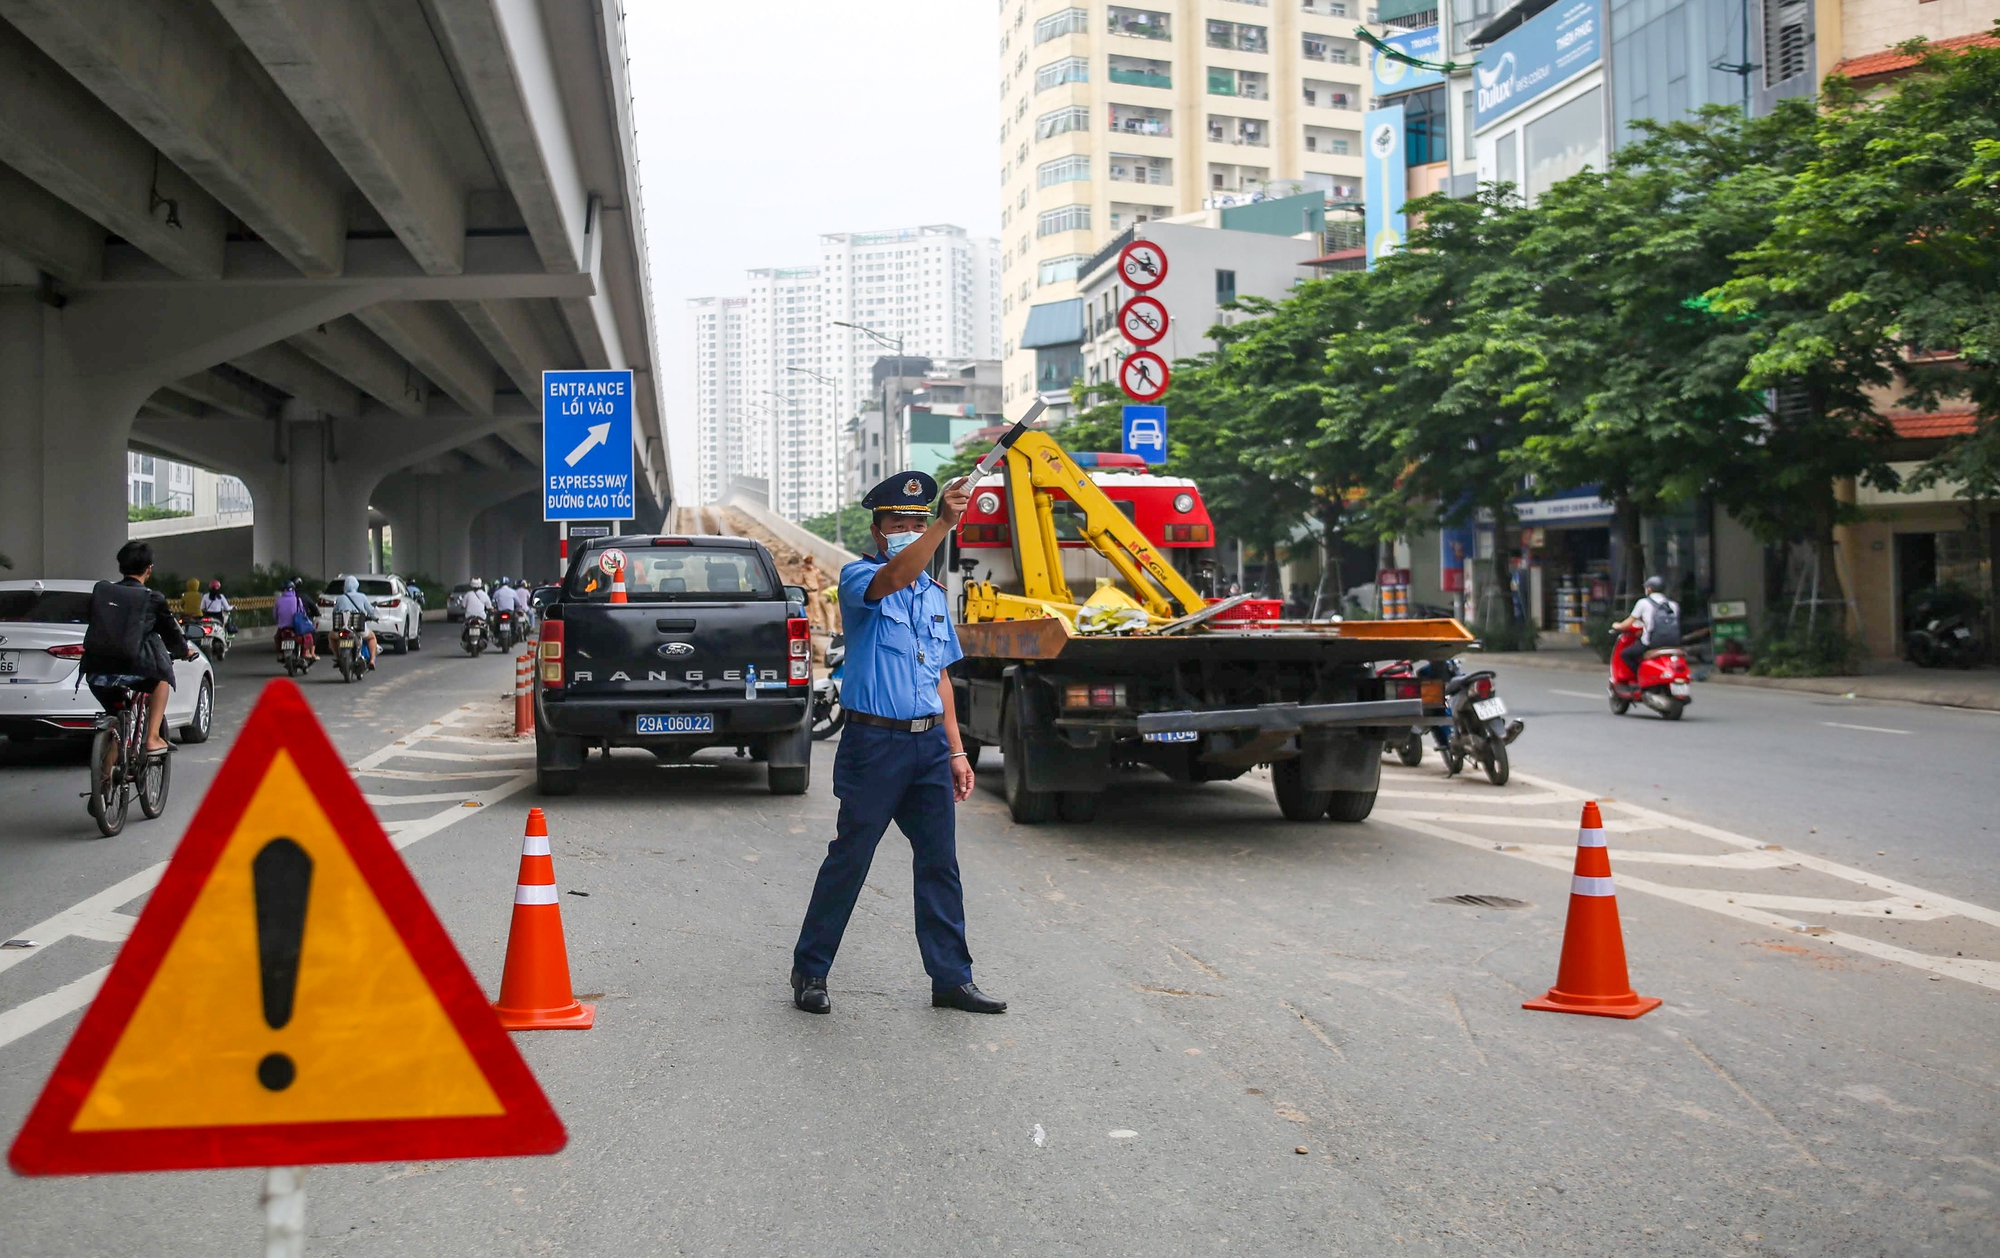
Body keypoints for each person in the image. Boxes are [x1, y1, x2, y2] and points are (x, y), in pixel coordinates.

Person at [789, 470, 1003, 1017]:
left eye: (917, 521)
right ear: (878, 531)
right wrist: (942, 525)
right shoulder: (861, 579)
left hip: (927, 746)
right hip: (874, 744)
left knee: (940, 864)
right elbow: (897, 576)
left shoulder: (932, 595)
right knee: (851, 858)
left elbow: (939, 677)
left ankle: (952, 979)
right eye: (899, 523)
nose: (909, 530)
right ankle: (811, 970)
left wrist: (955, 750)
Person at [82, 541, 198, 755]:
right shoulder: (152, 598)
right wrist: (185, 651)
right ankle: (153, 738)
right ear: (149, 569)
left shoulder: (102, 592)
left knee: (118, 721)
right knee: (162, 678)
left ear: (121, 567)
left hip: (96, 673)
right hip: (134, 673)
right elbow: (171, 634)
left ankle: (105, 780)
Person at [1615, 575, 1682, 679]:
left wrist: (1617, 625)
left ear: (1649, 589)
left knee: (1626, 654)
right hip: (1673, 643)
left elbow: (1628, 623)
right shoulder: (1673, 605)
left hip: (1651, 644)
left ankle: (1641, 676)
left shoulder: (1643, 603)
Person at [332, 575, 380, 668]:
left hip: (342, 628)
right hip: (359, 627)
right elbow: (370, 610)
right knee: (372, 637)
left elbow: (335, 612)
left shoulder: (340, 598)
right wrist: (374, 618)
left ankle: (337, 658)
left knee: (331, 636)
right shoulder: (362, 596)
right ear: (356, 586)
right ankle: (372, 661)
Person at [273, 580, 317, 661]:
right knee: (307, 636)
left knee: (277, 637)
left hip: (283, 628)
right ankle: (305, 653)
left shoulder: (278, 601)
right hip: (296, 627)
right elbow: (302, 612)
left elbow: (275, 616)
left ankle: (281, 654)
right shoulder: (297, 600)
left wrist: (280, 622)